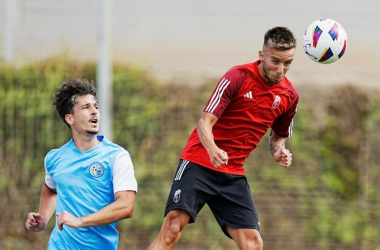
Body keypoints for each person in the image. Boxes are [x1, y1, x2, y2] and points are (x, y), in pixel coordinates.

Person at [147, 26, 299, 250]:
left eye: (287, 63)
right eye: (275, 61)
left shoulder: (289, 97)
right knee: (172, 229)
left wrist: (279, 152)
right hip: (199, 162)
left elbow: (277, 138)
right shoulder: (237, 77)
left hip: (232, 172)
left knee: (253, 243)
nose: (281, 69)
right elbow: (204, 123)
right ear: (261, 54)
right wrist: (212, 149)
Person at [25, 79, 138, 250]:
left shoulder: (117, 156)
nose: (94, 112)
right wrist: (43, 218)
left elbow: (126, 206)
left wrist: (80, 221)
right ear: (70, 118)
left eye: (96, 106)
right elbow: (50, 189)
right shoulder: (54, 158)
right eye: (86, 108)